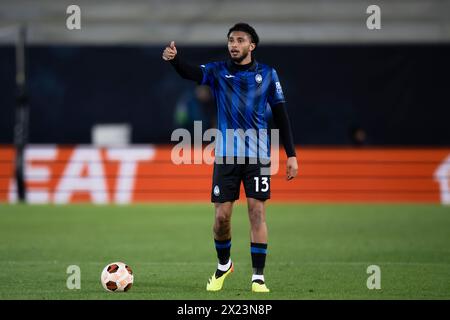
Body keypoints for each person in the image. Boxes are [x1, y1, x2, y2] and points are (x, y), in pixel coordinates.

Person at [162, 23, 298, 293]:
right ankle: (224, 264)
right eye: (230, 40)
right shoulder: (217, 71)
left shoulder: (268, 74)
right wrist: (176, 60)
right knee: (222, 218)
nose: (233, 45)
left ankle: (258, 277)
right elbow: (191, 73)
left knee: (256, 212)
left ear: (252, 45)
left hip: (258, 154)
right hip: (226, 155)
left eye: (239, 40)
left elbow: (281, 114)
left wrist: (291, 154)